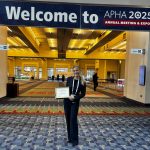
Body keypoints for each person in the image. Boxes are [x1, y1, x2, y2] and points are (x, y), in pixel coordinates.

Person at [64, 66, 86, 147]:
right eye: (74, 70)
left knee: (73, 119)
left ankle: (75, 140)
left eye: (77, 70)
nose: (75, 72)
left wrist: (75, 97)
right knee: (68, 119)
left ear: (79, 71)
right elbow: (66, 89)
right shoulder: (69, 79)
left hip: (75, 102)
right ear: (72, 71)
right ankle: (70, 138)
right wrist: (65, 95)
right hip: (67, 101)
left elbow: (83, 93)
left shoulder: (82, 81)